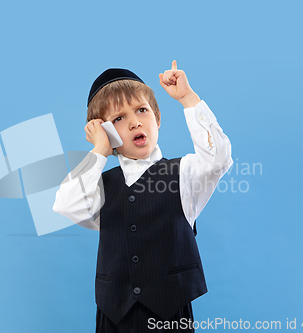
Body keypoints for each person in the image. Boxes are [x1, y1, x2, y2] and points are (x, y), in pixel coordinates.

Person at [53, 61, 233, 332]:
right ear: (106, 132)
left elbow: (218, 159)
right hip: (113, 316)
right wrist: (100, 150)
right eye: (119, 119)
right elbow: (66, 206)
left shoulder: (185, 174)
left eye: (141, 110)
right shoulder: (98, 185)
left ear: (157, 118)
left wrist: (187, 98)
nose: (135, 121)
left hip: (169, 315)